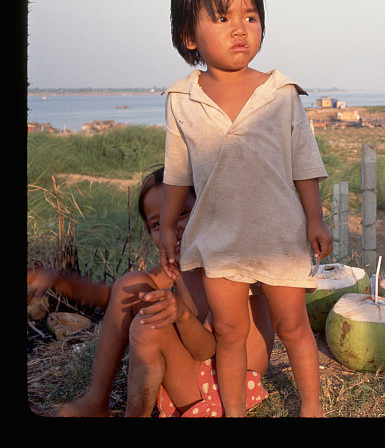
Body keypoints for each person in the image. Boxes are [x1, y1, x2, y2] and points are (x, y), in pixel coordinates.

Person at [160, 0, 332, 417]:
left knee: (292, 325)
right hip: (218, 236)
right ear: (189, 37)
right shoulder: (182, 98)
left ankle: (311, 408)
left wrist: (315, 219)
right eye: (222, 18)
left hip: (280, 235)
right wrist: (167, 228)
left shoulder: (280, 92)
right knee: (229, 331)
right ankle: (234, 412)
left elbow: (304, 162)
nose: (240, 28)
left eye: (250, 17)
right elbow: (176, 170)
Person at [26, 167, 274, 417]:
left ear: (206, 206)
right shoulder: (180, 265)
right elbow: (115, 298)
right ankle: (96, 401)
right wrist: (56, 280)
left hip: (230, 386)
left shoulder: (226, 266)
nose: (171, 229)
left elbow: (206, 350)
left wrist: (182, 316)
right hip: (202, 372)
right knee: (130, 283)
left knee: (149, 328)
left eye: (182, 213)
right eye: (158, 224)